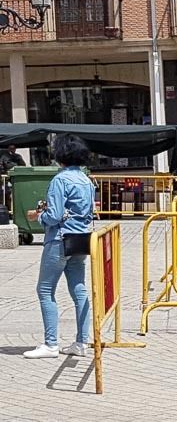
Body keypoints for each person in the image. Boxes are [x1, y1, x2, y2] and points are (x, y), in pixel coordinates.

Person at [23, 135, 95, 359]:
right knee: (79, 290)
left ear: (60, 155)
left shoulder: (60, 180)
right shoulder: (86, 180)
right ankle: (82, 342)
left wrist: (39, 217)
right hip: (81, 239)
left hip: (59, 239)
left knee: (45, 290)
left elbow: (54, 216)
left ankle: (51, 344)